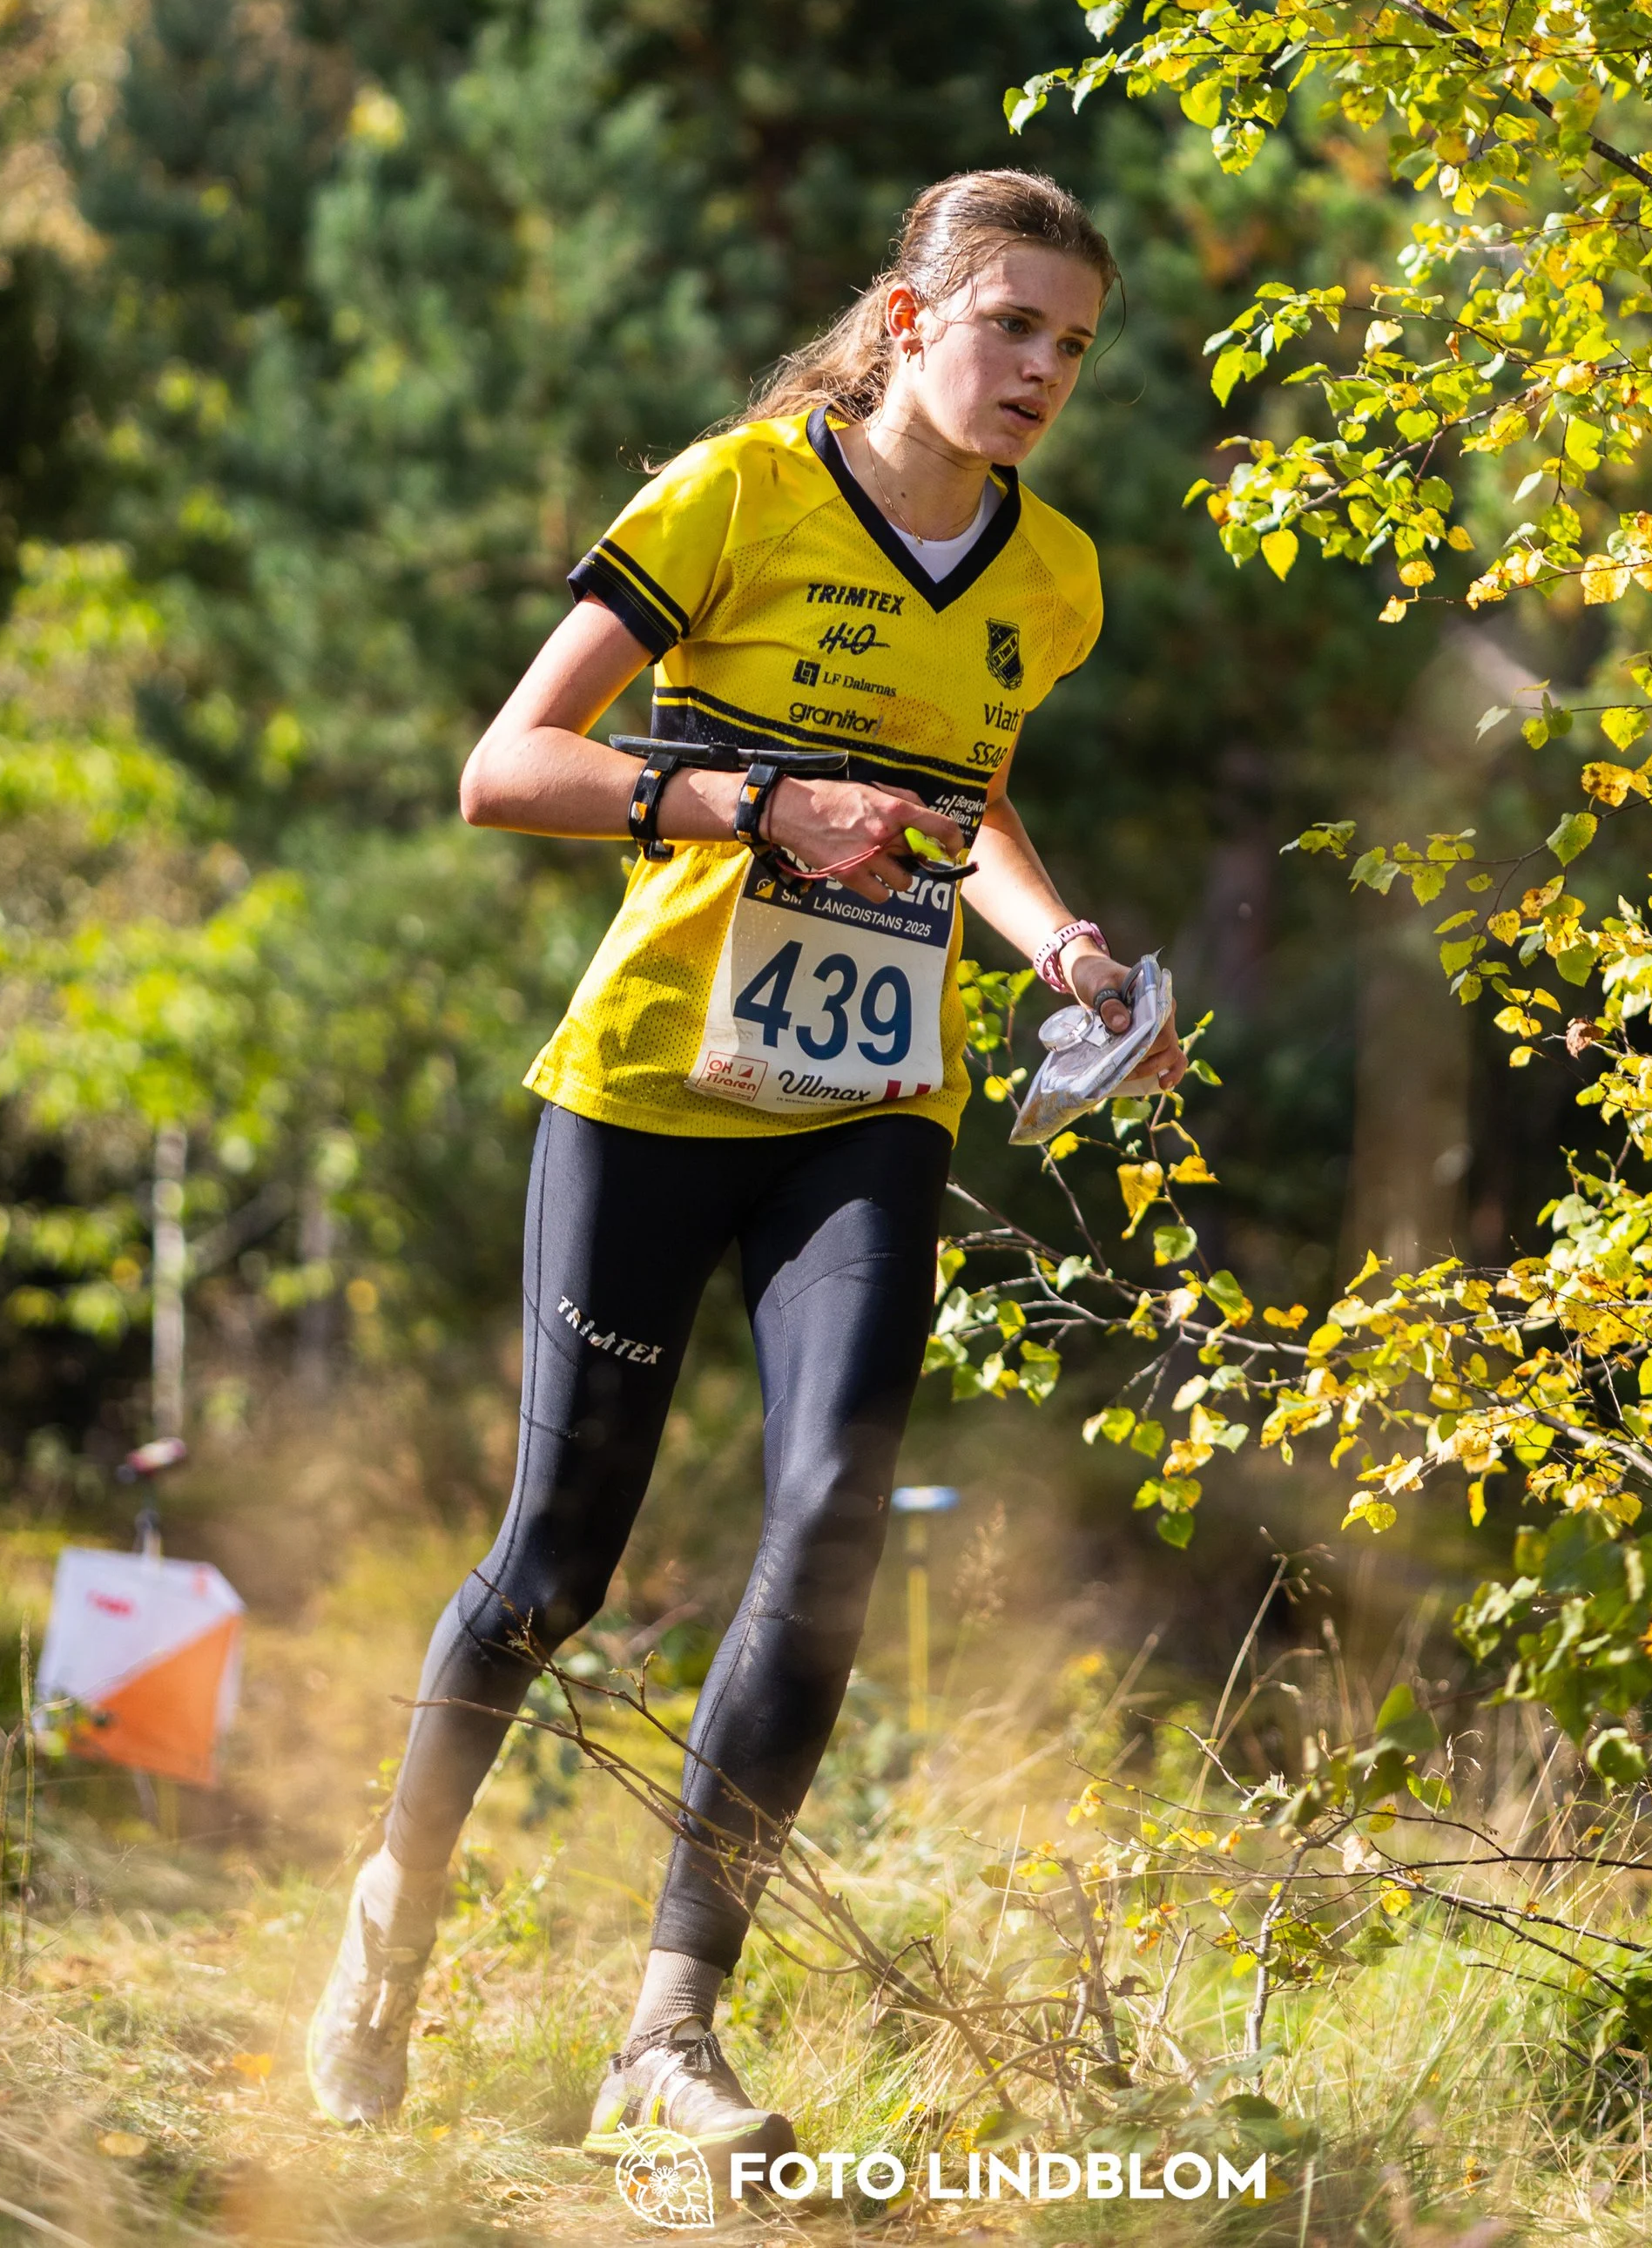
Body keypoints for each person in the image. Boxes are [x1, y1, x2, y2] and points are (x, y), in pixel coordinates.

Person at [305, 168, 1184, 2162]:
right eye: (1007, 324)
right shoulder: (737, 491)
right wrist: (750, 805)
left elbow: (967, 802)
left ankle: (666, 2033)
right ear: (905, 319)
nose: (1040, 367)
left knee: (835, 1510)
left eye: (1070, 341)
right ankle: (393, 1919)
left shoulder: (1051, 577)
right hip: (647, 1083)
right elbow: (501, 767)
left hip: (869, 1103)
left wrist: (1055, 943)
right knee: (554, 1564)